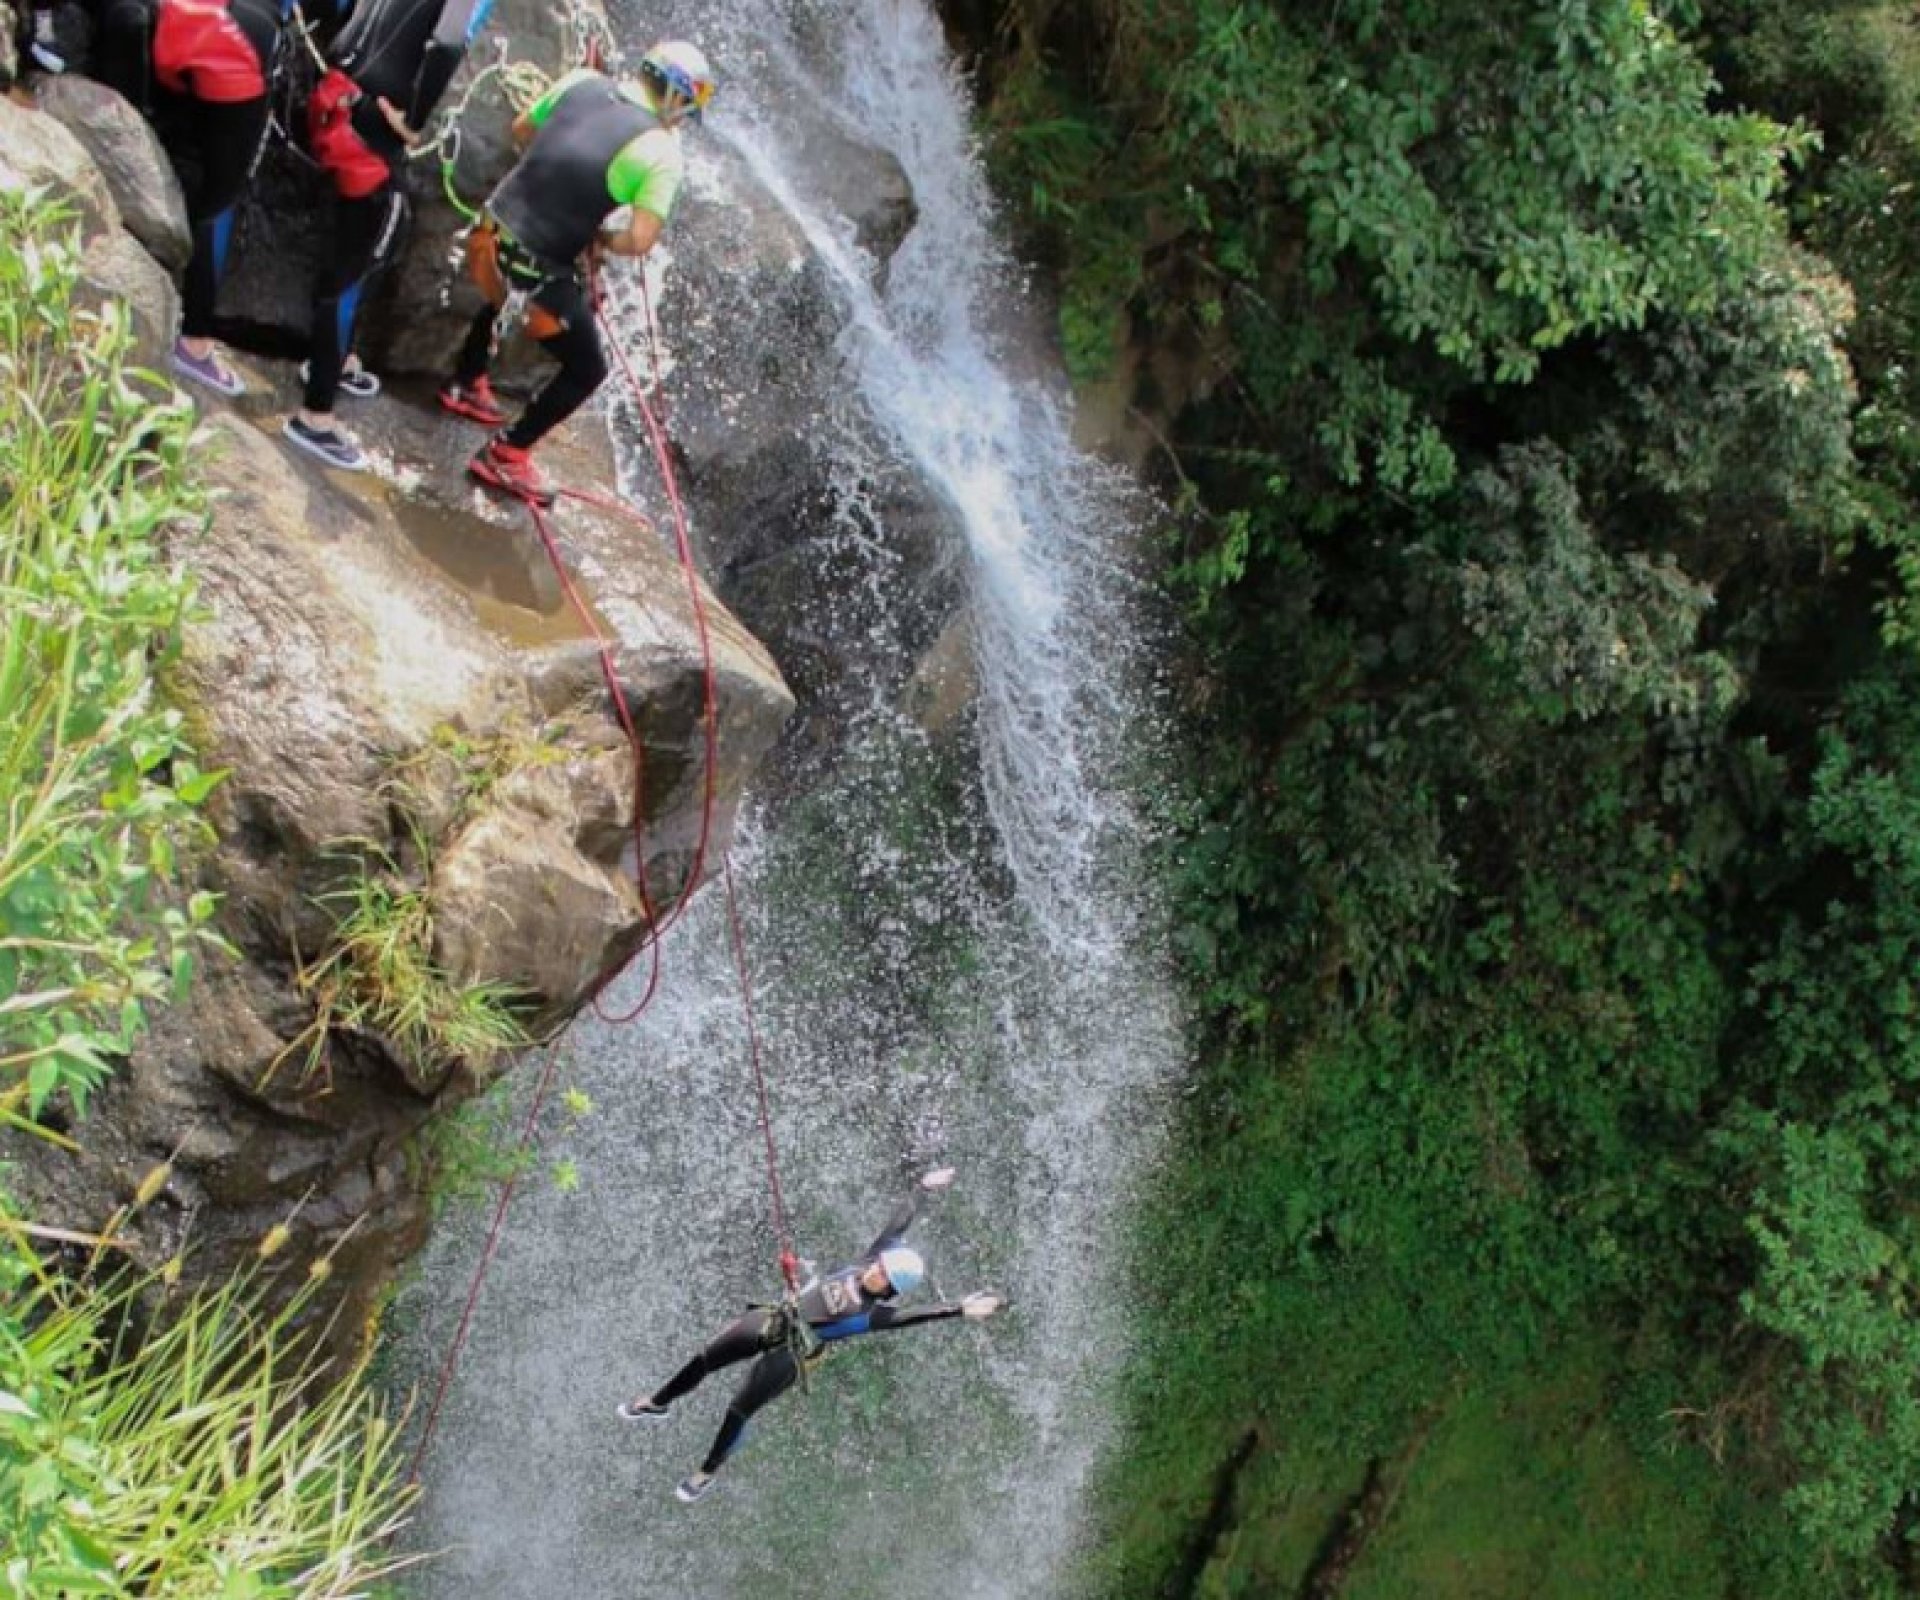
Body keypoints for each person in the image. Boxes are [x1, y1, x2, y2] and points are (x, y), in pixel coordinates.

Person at [616, 1167, 1006, 1505]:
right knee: (705, 1358)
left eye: (883, 1275)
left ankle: (705, 1473)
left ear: (890, 1288)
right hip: (778, 1319)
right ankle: (656, 1403)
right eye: (879, 1266)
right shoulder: (869, 1260)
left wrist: (957, 1308)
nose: (874, 1272)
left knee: (738, 1409)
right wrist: (923, 1187)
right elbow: (898, 1224)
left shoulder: (876, 1315)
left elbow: (914, 1317)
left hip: (793, 1354)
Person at [439, 39, 713, 506]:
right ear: (673, 96)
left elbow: (522, 129)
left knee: (505, 292)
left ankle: (467, 380)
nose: (683, 115)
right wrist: (601, 237)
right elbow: (640, 241)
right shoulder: (660, 152)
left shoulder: (583, 81)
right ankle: (507, 454)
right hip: (533, 268)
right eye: (686, 104)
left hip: (488, 234)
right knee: (588, 368)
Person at [282, 0, 494, 470]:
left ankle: (332, 361)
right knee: (356, 266)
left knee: (349, 245)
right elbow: (446, 44)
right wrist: (415, 122)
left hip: (344, 98)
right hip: (376, 129)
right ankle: (314, 416)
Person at [99, 0, 290, 394]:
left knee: (173, 144)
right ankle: (195, 342)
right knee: (223, 199)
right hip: (239, 41)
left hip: (172, 21)